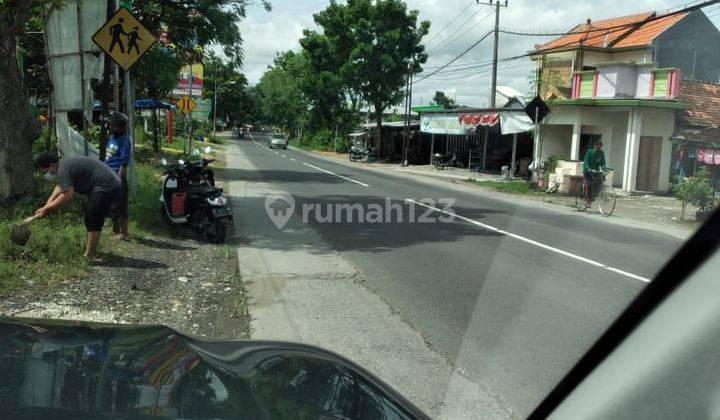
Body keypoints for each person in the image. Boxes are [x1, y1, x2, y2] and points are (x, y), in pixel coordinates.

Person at [34, 152, 121, 261]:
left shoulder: (63, 169)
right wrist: (46, 206)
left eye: (46, 171)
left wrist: (47, 209)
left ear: (52, 165)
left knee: (93, 219)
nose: (48, 174)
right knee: (91, 218)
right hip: (108, 183)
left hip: (106, 185)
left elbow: (68, 195)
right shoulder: (63, 165)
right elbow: (60, 186)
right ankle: (91, 250)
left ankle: (89, 256)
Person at [103, 112, 131, 240]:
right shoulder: (112, 138)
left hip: (117, 177)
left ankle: (124, 233)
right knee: (112, 206)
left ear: (119, 127)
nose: (109, 126)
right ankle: (116, 231)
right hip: (109, 175)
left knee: (120, 206)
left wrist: (118, 179)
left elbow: (124, 162)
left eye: (112, 124)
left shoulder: (124, 140)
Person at [582, 139, 607, 207]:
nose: (598, 148)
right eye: (597, 146)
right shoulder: (589, 152)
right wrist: (588, 168)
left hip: (595, 171)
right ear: (594, 146)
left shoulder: (601, 153)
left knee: (600, 181)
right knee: (590, 184)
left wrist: (605, 169)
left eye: (599, 146)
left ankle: (594, 196)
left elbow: (603, 163)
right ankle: (587, 200)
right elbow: (586, 162)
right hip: (587, 171)